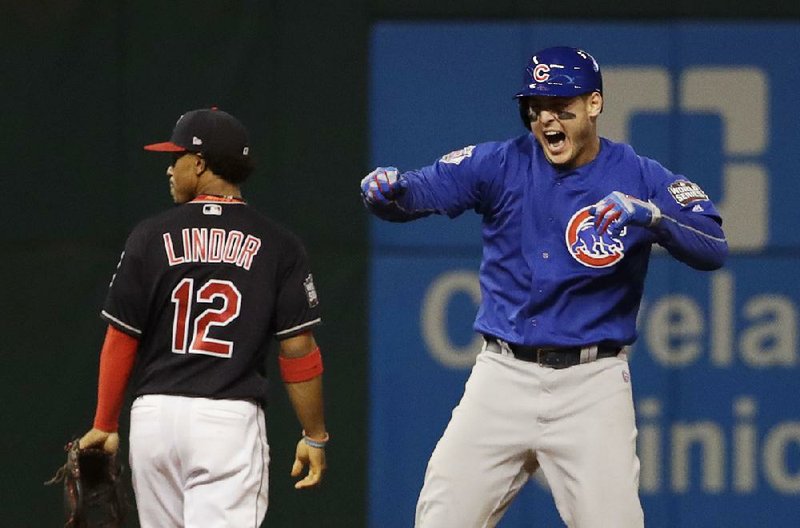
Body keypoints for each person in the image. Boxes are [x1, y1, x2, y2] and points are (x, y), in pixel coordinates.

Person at [360, 46, 727, 527]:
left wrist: (653, 217)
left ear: (594, 104)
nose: (546, 120)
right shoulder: (500, 163)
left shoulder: (639, 175)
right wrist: (387, 190)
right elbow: (413, 194)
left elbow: (713, 246)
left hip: (592, 385)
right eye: (536, 108)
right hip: (502, 376)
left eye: (561, 107)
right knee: (441, 518)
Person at [79, 107, 329, 527]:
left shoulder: (149, 234)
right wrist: (314, 434)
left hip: (154, 421)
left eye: (174, 158)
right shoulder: (278, 245)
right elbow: (298, 349)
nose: (169, 170)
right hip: (225, 420)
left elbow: (121, 336)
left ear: (199, 163)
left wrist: (105, 423)